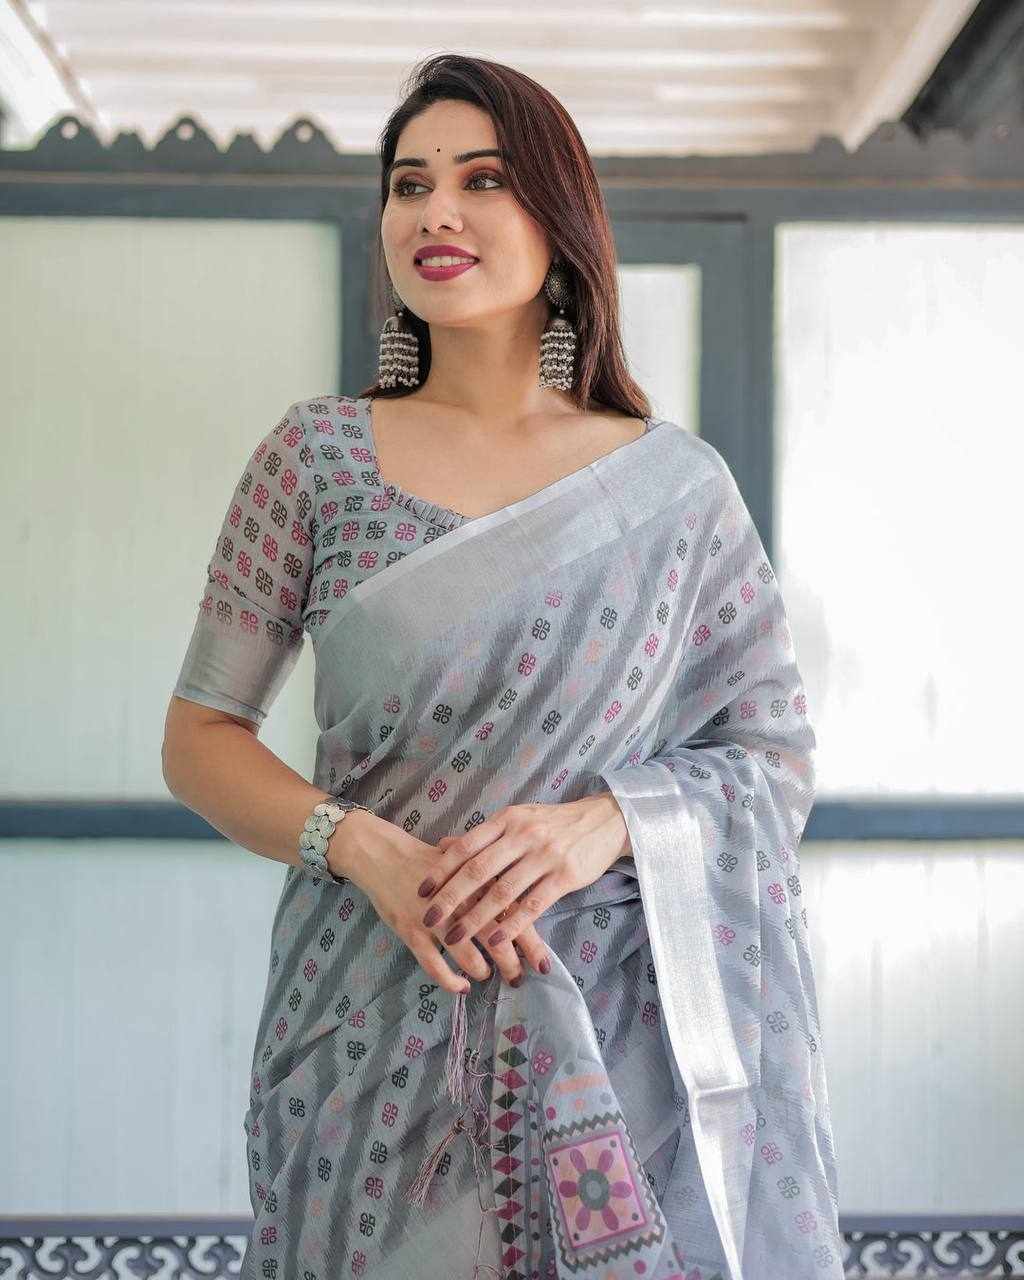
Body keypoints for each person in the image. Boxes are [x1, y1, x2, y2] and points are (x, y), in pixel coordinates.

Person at [162, 52, 843, 1280]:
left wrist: (600, 824)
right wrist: (360, 846)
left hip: (618, 1023)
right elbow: (199, 737)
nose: (435, 211)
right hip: (363, 1013)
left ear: (558, 217)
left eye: (482, 179)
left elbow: (770, 757)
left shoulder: (673, 490)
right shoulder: (314, 459)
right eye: (409, 183)